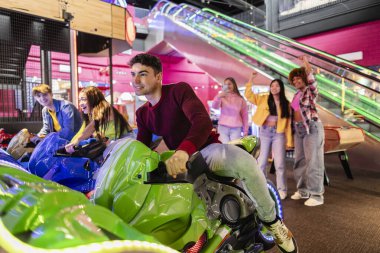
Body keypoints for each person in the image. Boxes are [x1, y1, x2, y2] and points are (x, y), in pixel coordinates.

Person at [129, 53, 298, 253]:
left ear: (158, 76)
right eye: (132, 74)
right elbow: (142, 147)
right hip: (183, 158)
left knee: (245, 164)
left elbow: (202, 121)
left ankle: (273, 223)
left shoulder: (178, 90)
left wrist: (183, 151)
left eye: (142, 74)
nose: (135, 80)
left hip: (206, 149)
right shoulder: (143, 114)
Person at [245, 72, 293, 200]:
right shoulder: (263, 98)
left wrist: (289, 141)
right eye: (272, 86)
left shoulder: (285, 104)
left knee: (280, 164)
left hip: (279, 134)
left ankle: (282, 189)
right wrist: (251, 79)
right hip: (265, 132)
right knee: (261, 162)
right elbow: (248, 95)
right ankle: (261, 188)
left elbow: (288, 123)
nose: (274, 88)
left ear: (281, 88)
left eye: (277, 86)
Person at [288, 55, 325, 207]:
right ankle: (303, 191)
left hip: (312, 128)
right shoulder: (296, 95)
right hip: (299, 130)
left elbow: (312, 82)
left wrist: (306, 65)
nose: (296, 81)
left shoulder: (310, 92)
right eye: (294, 79)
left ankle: (317, 195)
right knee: (299, 161)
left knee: (313, 161)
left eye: (299, 78)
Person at [65, 86, 133, 153]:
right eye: (80, 100)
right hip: (114, 143)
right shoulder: (90, 115)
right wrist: (69, 145)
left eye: (84, 99)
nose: (80, 103)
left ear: (93, 99)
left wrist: (76, 141)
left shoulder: (105, 108)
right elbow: (82, 132)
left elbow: (92, 126)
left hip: (127, 142)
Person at [212, 77, 248, 143]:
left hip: (236, 128)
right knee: (224, 148)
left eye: (229, 84)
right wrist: (219, 96)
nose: (228, 86)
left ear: (234, 85)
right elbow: (214, 107)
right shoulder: (221, 96)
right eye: (225, 84)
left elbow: (245, 115)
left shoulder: (240, 99)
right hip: (222, 127)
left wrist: (245, 130)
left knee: (233, 149)